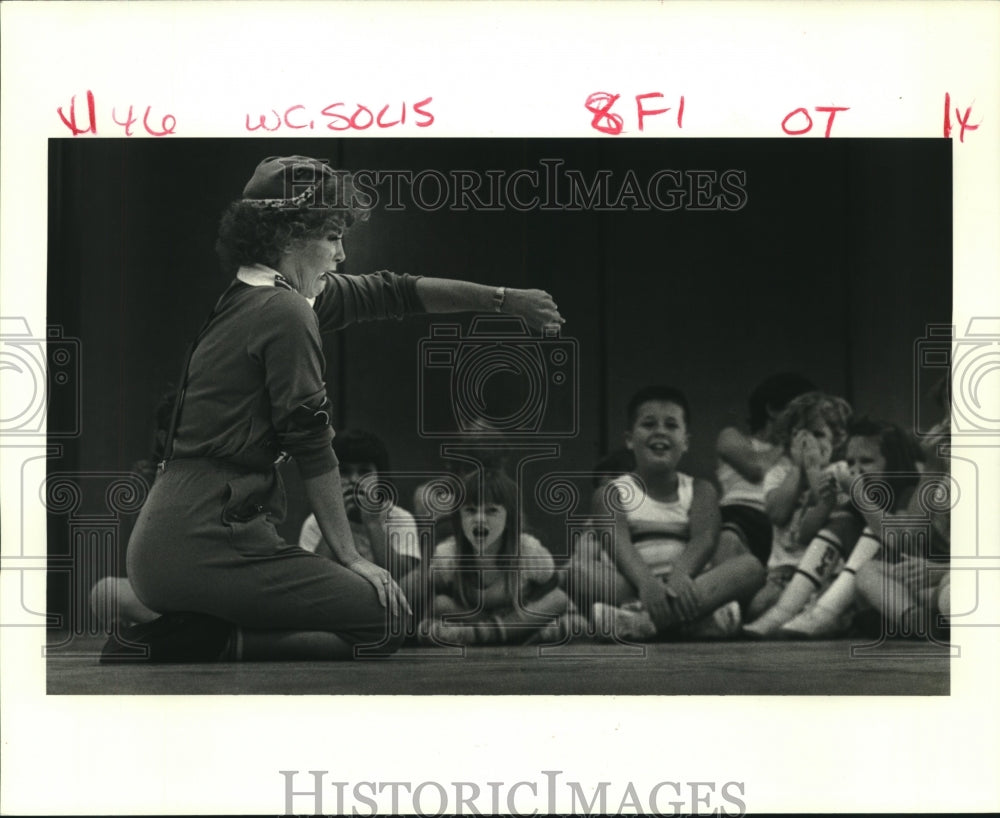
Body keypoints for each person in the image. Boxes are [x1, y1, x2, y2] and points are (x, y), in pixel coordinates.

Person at [113, 155, 564, 662]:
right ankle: (196, 640)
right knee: (384, 619)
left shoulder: (261, 297)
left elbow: (391, 291)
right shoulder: (283, 312)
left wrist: (502, 300)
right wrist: (352, 557)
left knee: (365, 613)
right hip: (204, 540)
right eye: (331, 236)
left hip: (176, 539)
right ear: (286, 235)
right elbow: (311, 441)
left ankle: (182, 631)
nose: (342, 253)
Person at [574, 385, 766, 641]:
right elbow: (618, 544)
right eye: (649, 424)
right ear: (630, 438)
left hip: (688, 587)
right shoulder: (610, 493)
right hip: (634, 587)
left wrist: (680, 575)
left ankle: (643, 623)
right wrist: (647, 584)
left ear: (685, 441)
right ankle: (695, 624)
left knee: (751, 567)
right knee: (574, 572)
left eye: (671, 425)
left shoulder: (700, 489)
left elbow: (704, 539)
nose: (660, 431)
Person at [779, 418, 925, 637]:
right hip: (865, 601)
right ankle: (783, 611)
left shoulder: (909, 493)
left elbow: (901, 539)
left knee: (874, 530)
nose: (856, 470)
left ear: (892, 462)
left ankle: (825, 613)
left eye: (866, 461)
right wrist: (825, 504)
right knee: (843, 522)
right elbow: (803, 536)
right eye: (850, 462)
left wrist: (858, 494)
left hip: (900, 593)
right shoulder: (855, 499)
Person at [419, 470, 580, 645]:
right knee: (440, 605)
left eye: (491, 511)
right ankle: (500, 635)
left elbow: (555, 597)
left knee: (558, 600)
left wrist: (513, 619)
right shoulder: (448, 555)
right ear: (458, 518)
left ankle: (486, 635)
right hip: (476, 619)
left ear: (509, 518)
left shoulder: (528, 551)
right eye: (471, 510)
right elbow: (438, 603)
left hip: (518, 619)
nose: (479, 519)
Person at [742, 391, 857, 636]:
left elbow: (831, 508)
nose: (809, 444)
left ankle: (815, 615)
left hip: (826, 574)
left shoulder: (840, 471)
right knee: (756, 607)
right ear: (789, 440)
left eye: (818, 434)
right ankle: (794, 615)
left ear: (836, 440)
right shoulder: (779, 474)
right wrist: (797, 469)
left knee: (832, 609)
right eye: (800, 435)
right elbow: (777, 513)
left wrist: (815, 469)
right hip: (782, 575)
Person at [715, 373, 816, 569]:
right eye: (798, 413)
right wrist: (787, 442)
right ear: (772, 409)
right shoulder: (731, 437)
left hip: (780, 527)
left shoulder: (798, 456)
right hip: (739, 516)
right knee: (728, 537)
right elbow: (756, 468)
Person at [299, 429, 420, 580]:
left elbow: (403, 577)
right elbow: (313, 578)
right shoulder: (316, 522)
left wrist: (373, 523)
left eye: (364, 471)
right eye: (344, 471)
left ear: (380, 478)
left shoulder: (399, 518)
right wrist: (336, 521)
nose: (354, 479)